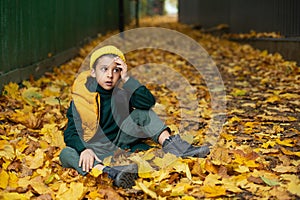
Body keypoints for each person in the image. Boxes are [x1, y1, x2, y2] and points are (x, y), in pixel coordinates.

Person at [59, 45, 210, 188]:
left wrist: (127, 79)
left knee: (142, 113)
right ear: (93, 72)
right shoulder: (81, 99)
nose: (110, 75)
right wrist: (84, 149)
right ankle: (109, 172)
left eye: (116, 70)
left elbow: (148, 101)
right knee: (66, 153)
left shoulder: (122, 92)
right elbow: (71, 132)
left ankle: (173, 145)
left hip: (120, 140)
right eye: (104, 69)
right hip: (95, 148)